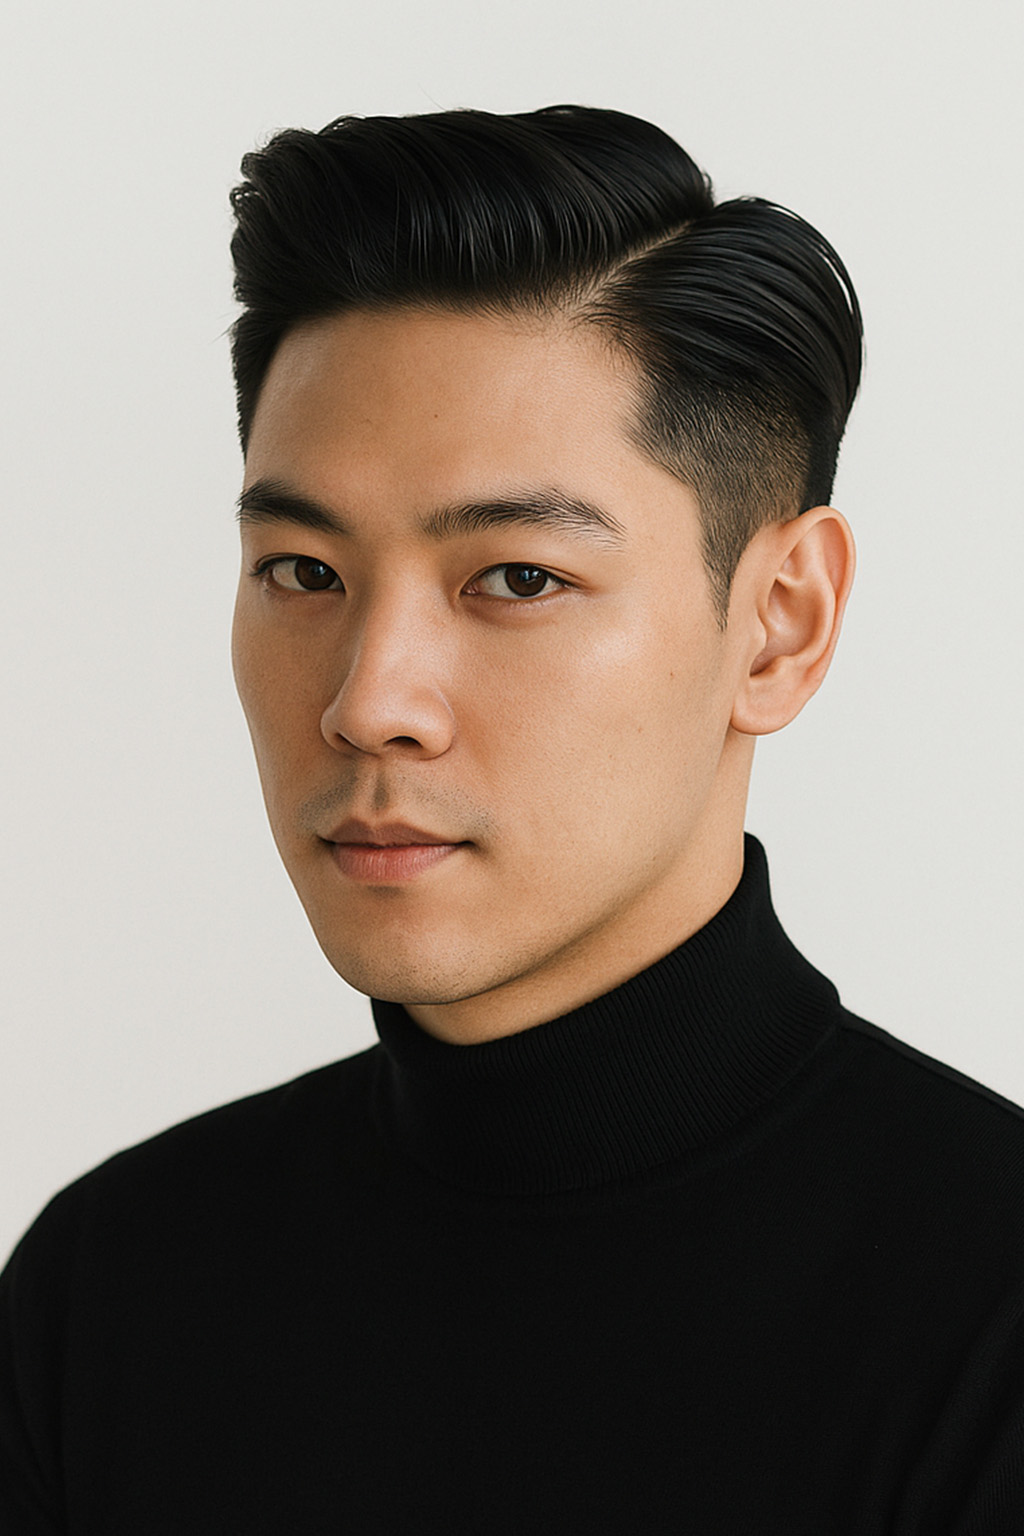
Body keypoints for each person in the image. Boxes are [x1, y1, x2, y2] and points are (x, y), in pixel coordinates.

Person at [2, 105, 1022, 1534]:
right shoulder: (107, 1292)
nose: (370, 702)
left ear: (780, 624)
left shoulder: (985, 1318)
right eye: (302, 571)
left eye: (519, 579)